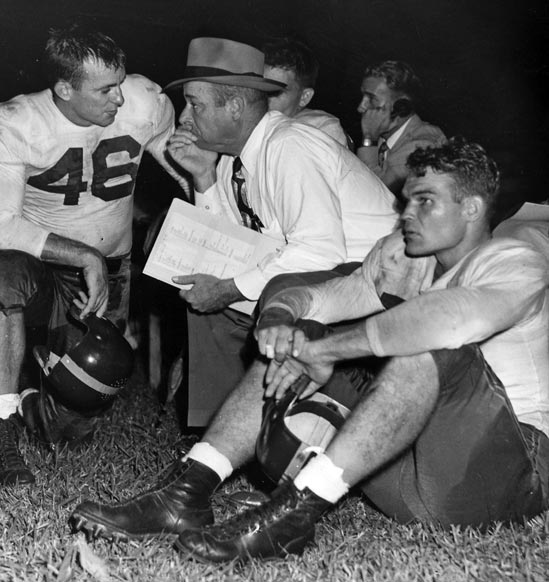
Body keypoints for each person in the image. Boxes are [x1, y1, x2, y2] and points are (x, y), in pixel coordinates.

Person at [71, 137, 549, 563]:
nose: (406, 213)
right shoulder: (406, 257)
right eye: (407, 201)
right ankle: (190, 489)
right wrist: (283, 322)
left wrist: (331, 351)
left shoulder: (513, 258)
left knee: (427, 347)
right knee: (302, 340)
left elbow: (445, 323)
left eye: (426, 202)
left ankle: (295, 513)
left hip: (508, 474)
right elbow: (317, 294)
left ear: (472, 208)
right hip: (409, 470)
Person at [160, 37, 398, 427]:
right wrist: (203, 176)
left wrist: (230, 288)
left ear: (235, 106)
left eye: (195, 104)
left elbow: (321, 252)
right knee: (205, 294)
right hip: (326, 277)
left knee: (259, 290)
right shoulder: (231, 159)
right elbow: (231, 247)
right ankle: (218, 428)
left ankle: (268, 430)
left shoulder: (288, 146)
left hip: (376, 281)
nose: (185, 117)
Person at [0, 25, 189, 485]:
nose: (120, 98)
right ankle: (3, 425)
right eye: (105, 89)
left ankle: (28, 387)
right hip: (40, 266)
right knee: (2, 278)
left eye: (120, 82)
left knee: (66, 430)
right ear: (64, 89)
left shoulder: (145, 100)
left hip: (113, 271)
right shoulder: (18, 122)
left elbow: (185, 169)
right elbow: (2, 224)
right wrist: (84, 255)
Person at [356, 60, 445, 196]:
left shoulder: (423, 143)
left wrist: (369, 139)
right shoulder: (385, 136)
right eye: (363, 97)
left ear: (401, 106)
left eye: (371, 98)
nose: (361, 107)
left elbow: (378, 195)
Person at [263, 37, 350, 148]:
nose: (262, 98)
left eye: (274, 92)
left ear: (304, 97)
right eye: (259, 88)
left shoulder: (322, 130)